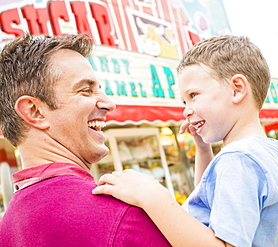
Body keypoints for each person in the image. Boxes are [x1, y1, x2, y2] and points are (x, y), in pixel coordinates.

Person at [93, 35, 278, 246]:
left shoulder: (238, 159)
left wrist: (152, 196)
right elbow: (209, 204)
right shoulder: (256, 151)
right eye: (184, 101)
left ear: (237, 89)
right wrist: (203, 151)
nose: (186, 110)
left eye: (193, 95)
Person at [0, 34, 170, 247]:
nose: (109, 103)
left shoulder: (8, 226)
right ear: (35, 111)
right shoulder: (123, 217)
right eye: (86, 90)